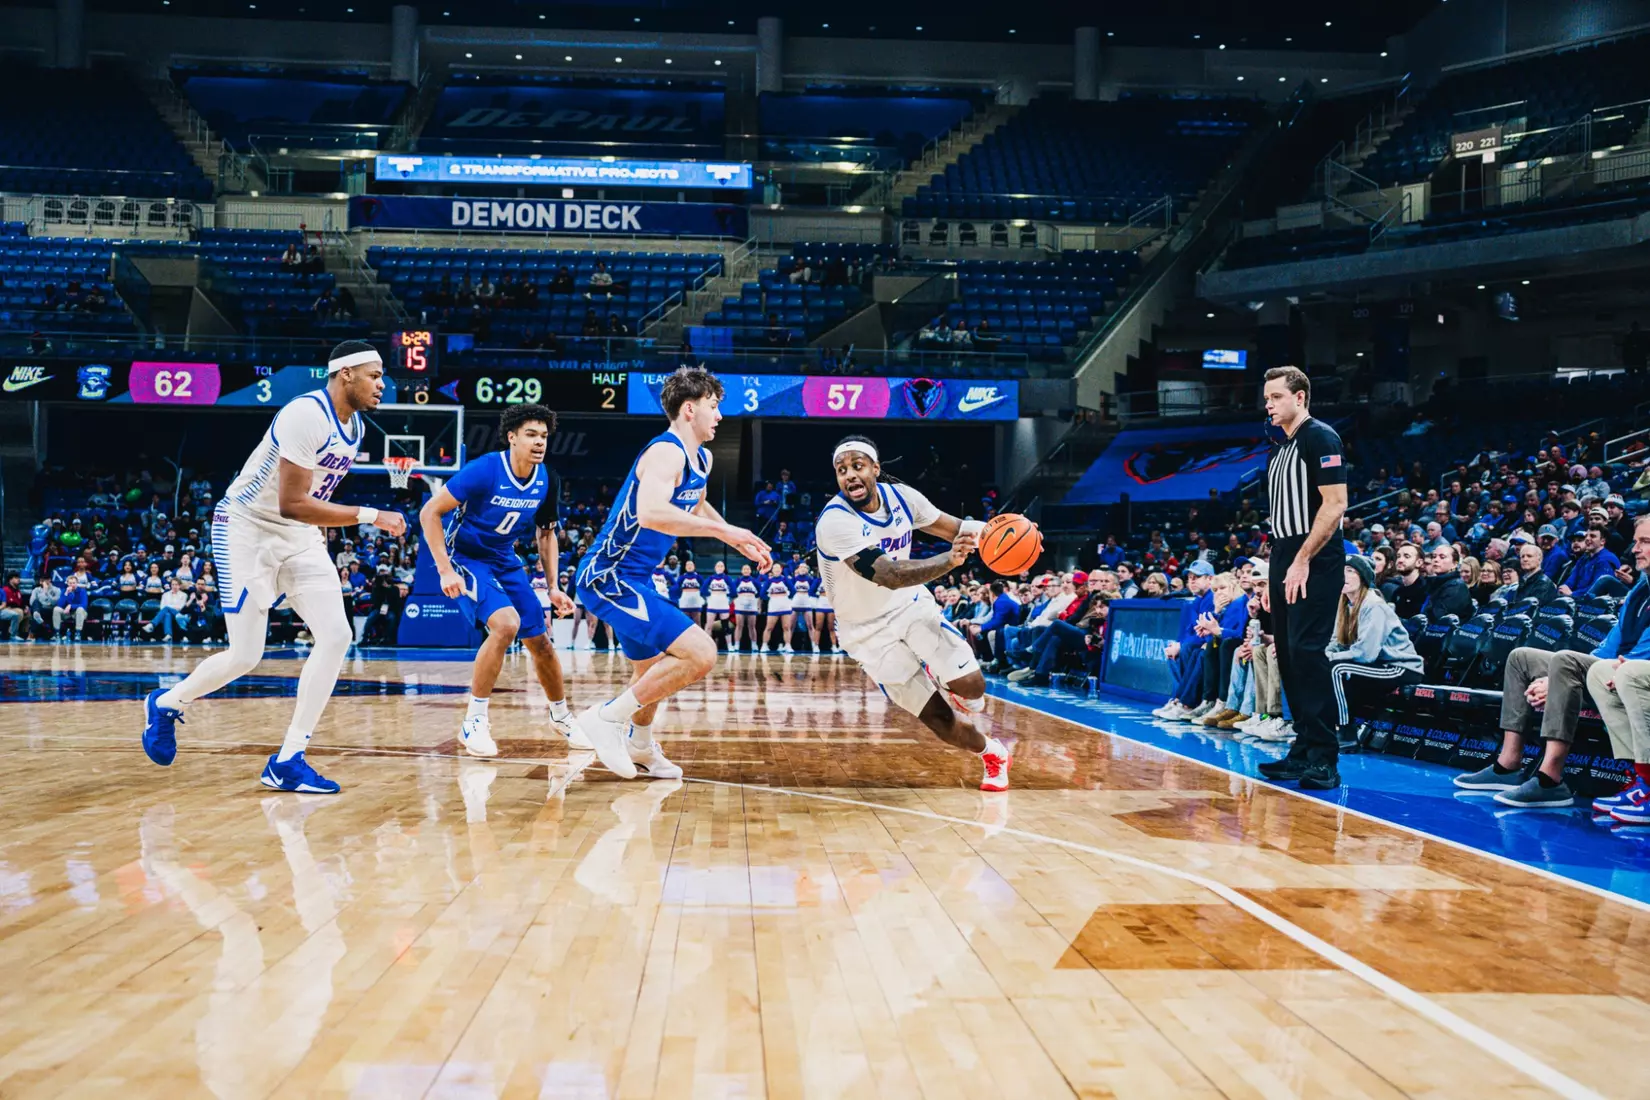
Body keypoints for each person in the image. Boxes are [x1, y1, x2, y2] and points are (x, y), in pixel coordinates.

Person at [139, 340, 406, 795]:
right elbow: (293, 502)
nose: (383, 384)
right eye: (374, 375)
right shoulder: (306, 415)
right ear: (345, 374)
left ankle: (288, 760)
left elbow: (308, 506)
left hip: (296, 535)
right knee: (245, 655)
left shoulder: (356, 427)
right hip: (246, 528)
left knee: (338, 635)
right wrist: (369, 515)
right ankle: (165, 703)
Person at [572, 368, 772, 780]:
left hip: (636, 577)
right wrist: (727, 529)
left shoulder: (702, 457)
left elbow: (695, 505)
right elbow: (651, 512)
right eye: (714, 407)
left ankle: (640, 746)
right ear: (689, 408)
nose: (719, 416)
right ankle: (605, 718)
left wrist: (736, 542)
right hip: (608, 574)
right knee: (700, 654)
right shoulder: (666, 452)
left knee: (651, 671)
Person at [814, 435, 1010, 790]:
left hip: (909, 607)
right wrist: (950, 560)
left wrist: (1009, 533)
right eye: (841, 471)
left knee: (974, 690)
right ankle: (992, 753)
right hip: (864, 632)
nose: (849, 476)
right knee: (938, 718)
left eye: (857, 467)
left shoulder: (904, 498)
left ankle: (940, 669)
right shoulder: (834, 522)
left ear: (875, 468)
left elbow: (956, 528)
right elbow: (890, 575)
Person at [418, 403, 583, 757]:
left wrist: (552, 586)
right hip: (466, 558)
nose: (540, 442)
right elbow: (430, 511)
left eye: (544, 436)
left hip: (505, 560)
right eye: (531, 435)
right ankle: (474, 721)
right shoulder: (484, 470)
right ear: (512, 437)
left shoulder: (547, 479)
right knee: (506, 625)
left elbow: (546, 533)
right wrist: (445, 569)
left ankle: (561, 716)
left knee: (541, 643)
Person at [1455, 516, 1650, 809]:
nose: (1635, 548)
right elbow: (1610, 645)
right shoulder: (1640, 589)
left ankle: (1550, 779)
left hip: (1631, 672)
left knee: (1565, 661)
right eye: (1635, 541)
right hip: (1609, 668)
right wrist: (1560, 678)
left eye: (1644, 541)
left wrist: (1561, 679)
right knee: (1521, 657)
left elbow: (1640, 656)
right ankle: (1508, 765)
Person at [1255, 367, 1349, 791]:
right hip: (1284, 554)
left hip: (1316, 556)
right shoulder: (1281, 448)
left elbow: (1334, 505)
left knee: (1308, 653)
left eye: (1275, 397)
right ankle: (1304, 747)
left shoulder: (1320, 437)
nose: (1268, 405)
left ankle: (1325, 756)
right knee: (1288, 655)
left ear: (1300, 398)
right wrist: (1276, 570)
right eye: (1267, 398)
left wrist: (1302, 559)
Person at [1326, 556, 1423, 751]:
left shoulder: (1373, 604)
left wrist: (1331, 658)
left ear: (1363, 577)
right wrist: (1324, 655)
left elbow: (1366, 654)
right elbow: (1335, 642)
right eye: (1341, 570)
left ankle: (1347, 734)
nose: (1343, 575)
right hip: (1377, 665)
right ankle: (1321, 729)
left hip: (1400, 667)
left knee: (1337, 669)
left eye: (1350, 571)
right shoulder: (1344, 604)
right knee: (1322, 665)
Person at [758, 562, 795, 654]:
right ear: (772, 570)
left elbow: (793, 591)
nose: (777, 570)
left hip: (785, 606)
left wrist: (787, 597)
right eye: (775, 568)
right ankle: (764, 645)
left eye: (778, 568)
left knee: (786, 627)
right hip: (773, 606)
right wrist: (770, 597)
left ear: (781, 570)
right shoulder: (769, 581)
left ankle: (788, 645)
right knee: (769, 627)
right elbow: (762, 594)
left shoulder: (785, 580)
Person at [676, 559, 704, 627]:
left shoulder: (698, 577)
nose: (689, 566)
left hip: (696, 604)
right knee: (684, 624)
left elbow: (704, 588)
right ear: (685, 567)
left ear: (694, 566)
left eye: (691, 564)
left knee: (697, 624)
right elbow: (676, 588)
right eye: (687, 565)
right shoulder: (682, 577)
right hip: (685, 604)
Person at [0, 573, 24, 640]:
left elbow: (4, 604)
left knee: (15, 615)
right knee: (19, 612)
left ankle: (12, 635)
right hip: (8, 608)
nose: (18, 579)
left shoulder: (1, 591)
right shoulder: (6, 589)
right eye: (16, 578)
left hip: (1, 610)